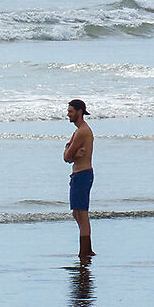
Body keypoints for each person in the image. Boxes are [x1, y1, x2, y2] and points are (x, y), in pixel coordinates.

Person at [62, 98, 95, 260]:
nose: (68, 114)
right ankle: (87, 249)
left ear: (79, 112)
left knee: (81, 215)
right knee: (77, 214)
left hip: (82, 174)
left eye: (70, 111)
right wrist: (71, 151)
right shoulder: (79, 131)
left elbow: (67, 157)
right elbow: (69, 156)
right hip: (80, 174)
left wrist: (69, 149)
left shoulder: (82, 131)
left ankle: (85, 251)